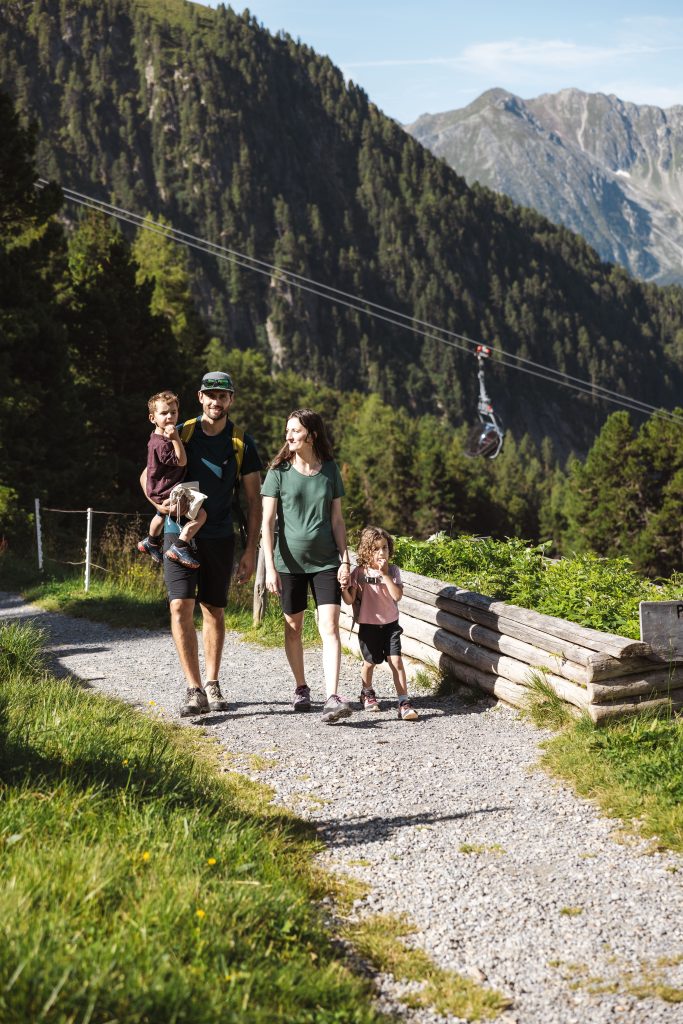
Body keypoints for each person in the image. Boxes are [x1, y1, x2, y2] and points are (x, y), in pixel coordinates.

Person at [141, 371, 263, 717]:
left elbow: (254, 500)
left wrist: (251, 550)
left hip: (220, 536)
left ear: (231, 400)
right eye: (210, 395)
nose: (216, 402)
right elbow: (146, 473)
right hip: (175, 532)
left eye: (222, 396)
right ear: (200, 397)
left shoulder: (241, 443)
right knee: (179, 607)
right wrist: (157, 505)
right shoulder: (182, 431)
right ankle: (193, 689)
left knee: (213, 610)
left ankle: (212, 682)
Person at [261, 409, 353, 723]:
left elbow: (337, 520)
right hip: (288, 564)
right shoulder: (278, 472)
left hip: (326, 561)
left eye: (295, 431)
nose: (288, 436)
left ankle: (332, 696)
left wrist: (345, 558)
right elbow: (267, 522)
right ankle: (301, 687)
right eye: (287, 431)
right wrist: (270, 568)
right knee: (294, 628)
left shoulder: (330, 471)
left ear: (311, 435)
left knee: (329, 627)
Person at [342, 525, 419, 721]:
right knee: (370, 662)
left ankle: (403, 702)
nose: (381, 553)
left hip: (391, 625)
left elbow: (397, 595)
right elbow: (350, 600)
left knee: (396, 662)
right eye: (376, 549)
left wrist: (384, 575)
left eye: (384, 547)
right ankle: (367, 692)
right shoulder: (359, 572)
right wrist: (343, 587)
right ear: (366, 551)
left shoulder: (393, 571)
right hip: (368, 625)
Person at [137, 390, 207, 571]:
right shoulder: (163, 443)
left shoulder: (155, 437)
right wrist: (176, 439)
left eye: (173, 412)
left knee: (161, 514)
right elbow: (181, 460)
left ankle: (151, 541)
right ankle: (180, 546)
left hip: (159, 489)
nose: (169, 417)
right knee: (201, 515)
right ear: (152, 418)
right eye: (164, 413)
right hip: (167, 490)